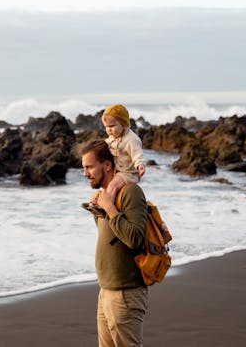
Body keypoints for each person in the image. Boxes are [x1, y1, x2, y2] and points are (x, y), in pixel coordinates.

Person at [81, 139, 149, 347]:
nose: (85, 173)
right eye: (84, 168)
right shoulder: (106, 196)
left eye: (90, 167)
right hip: (106, 290)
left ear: (108, 165)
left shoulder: (130, 192)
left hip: (125, 293)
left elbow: (135, 238)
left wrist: (109, 208)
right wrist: (98, 209)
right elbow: (111, 236)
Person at [83, 104, 145, 217]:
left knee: (112, 186)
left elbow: (137, 154)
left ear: (124, 124)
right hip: (119, 171)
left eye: (112, 126)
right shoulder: (113, 137)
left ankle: (105, 207)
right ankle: (96, 204)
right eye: (106, 127)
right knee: (107, 187)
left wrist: (139, 165)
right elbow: (106, 144)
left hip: (129, 173)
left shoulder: (131, 139)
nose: (109, 130)